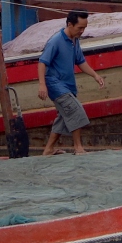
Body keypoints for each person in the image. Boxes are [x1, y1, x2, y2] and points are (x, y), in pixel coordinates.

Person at [37, 10, 107, 154]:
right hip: (55, 84)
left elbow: (80, 61)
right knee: (75, 110)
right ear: (70, 24)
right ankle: (78, 147)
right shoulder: (55, 41)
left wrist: (95, 75)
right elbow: (42, 63)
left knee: (64, 116)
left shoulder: (75, 41)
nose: (82, 31)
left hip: (67, 85)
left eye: (84, 28)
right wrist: (42, 84)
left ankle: (48, 149)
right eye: (80, 28)